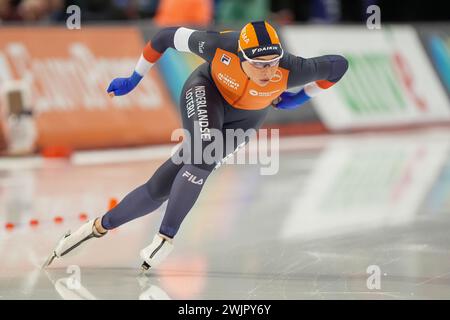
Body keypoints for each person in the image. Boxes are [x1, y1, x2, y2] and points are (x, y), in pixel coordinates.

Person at [42, 21, 348, 270]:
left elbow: (338, 66)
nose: (268, 72)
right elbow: (163, 38)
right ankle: (165, 237)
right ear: (241, 56)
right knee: (204, 152)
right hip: (207, 92)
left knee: (160, 188)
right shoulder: (216, 46)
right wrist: (135, 77)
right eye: (258, 64)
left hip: (246, 120)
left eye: (272, 63)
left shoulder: (293, 68)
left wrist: (303, 95)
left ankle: (96, 227)